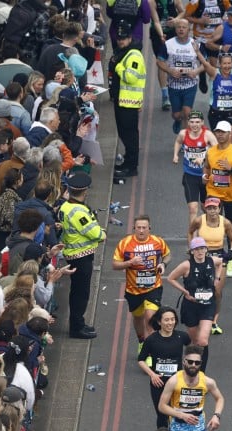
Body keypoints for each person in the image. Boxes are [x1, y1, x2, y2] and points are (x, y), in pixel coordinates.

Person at [59, 172, 105, 339]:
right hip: (81, 257)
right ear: (84, 191)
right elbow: (97, 234)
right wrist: (101, 232)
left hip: (73, 255)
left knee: (77, 293)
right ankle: (77, 328)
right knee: (81, 294)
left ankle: (78, 323)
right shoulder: (78, 212)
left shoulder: (66, 206)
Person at [113, 215, 171, 345]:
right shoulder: (125, 243)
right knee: (138, 317)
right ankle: (141, 341)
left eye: (144, 227)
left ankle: (150, 351)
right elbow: (115, 265)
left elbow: (167, 255)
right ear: (134, 228)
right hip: (133, 290)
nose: (141, 230)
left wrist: (163, 264)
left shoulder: (158, 241)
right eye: (138, 227)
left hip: (154, 287)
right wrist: (130, 262)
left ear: (149, 228)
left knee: (150, 318)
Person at [138, 307, 192, 428]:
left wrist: (188, 367)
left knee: (178, 413)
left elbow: (193, 350)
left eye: (173, 319)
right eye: (167, 320)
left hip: (177, 383)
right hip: (159, 383)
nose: (170, 323)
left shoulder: (182, 336)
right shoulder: (151, 340)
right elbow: (141, 360)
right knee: (162, 414)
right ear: (159, 322)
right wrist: (152, 375)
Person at [166, 238, 223, 349]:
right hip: (191, 306)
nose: (200, 252)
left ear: (206, 249)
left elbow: (220, 263)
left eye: (202, 248)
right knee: (195, 342)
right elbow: (170, 278)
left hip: (208, 305)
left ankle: (202, 365)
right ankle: (195, 363)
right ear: (192, 251)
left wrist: (217, 278)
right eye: (196, 249)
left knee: (202, 340)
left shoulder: (212, 260)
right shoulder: (186, 265)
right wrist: (184, 291)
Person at [111, 23, 147, 182]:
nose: (120, 41)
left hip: (129, 103)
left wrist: (118, 66)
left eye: (123, 38)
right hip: (122, 101)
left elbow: (130, 77)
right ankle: (127, 162)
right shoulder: (125, 52)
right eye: (119, 38)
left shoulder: (133, 55)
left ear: (130, 38)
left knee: (130, 136)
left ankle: (131, 167)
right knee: (124, 134)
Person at [203, 121, 232, 235]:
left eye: (223, 132)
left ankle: (231, 250)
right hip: (214, 192)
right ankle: (214, 249)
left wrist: (231, 169)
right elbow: (206, 167)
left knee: (230, 224)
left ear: (229, 134)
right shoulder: (210, 151)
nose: (220, 134)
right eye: (217, 132)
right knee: (213, 222)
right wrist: (205, 176)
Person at [159, 19, 204, 134]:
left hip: (190, 84)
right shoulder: (168, 44)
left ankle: (185, 140)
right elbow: (159, 62)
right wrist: (170, 71)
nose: (181, 29)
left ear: (189, 29)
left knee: (187, 112)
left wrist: (196, 71)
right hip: (174, 85)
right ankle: (177, 120)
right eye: (179, 27)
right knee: (177, 114)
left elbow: (206, 63)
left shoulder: (196, 44)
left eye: (184, 27)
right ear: (175, 29)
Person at [174, 112, 218, 225]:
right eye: (192, 122)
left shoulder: (207, 135)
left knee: (206, 207)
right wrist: (175, 155)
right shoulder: (183, 134)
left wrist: (203, 158)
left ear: (202, 123)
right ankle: (193, 238)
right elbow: (178, 142)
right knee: (193, 208)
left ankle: (211, 229)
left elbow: (218, 151)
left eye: (198, 122)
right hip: (190, 175)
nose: (195, 125)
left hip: (205, 175)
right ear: (188, 123)